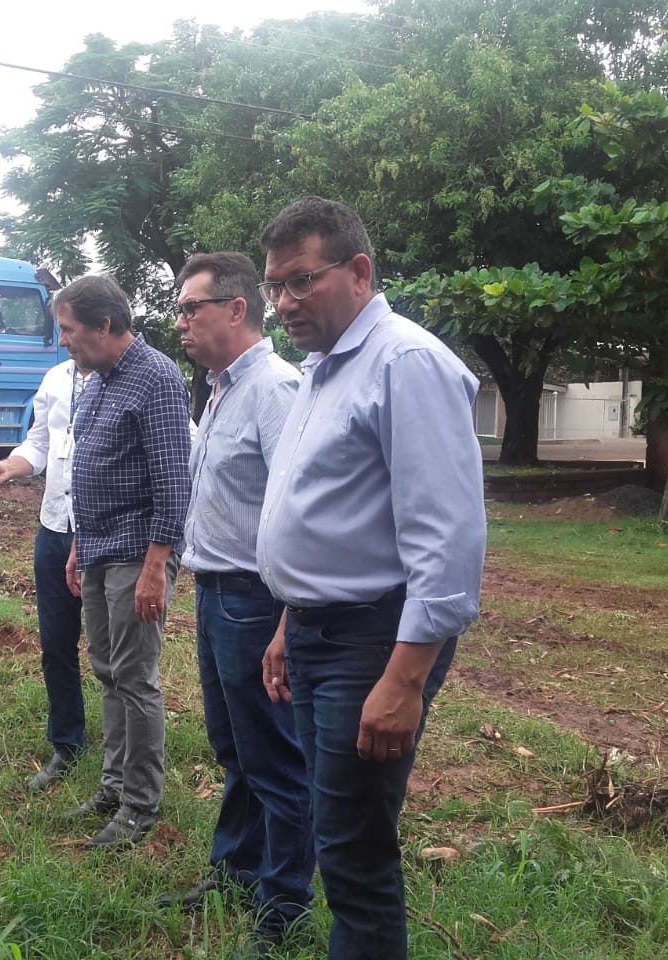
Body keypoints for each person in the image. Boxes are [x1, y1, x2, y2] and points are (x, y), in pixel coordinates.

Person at [255, 197, 486, 960]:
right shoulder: (325, 368)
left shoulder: (405, 362)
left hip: (373, 640)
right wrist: (291, 621)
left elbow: (446, 538)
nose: (283, 303)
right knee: (334, 828)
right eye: (274, 288)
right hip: (320, 632)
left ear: (358, 272)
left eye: (300, 281)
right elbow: (330, 517)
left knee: (353, 851)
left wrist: (405, 680)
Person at [157, 252, 312, 952]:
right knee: (234, 749)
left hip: (256, 598)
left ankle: (283, 907)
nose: (181, 322)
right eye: (181, 310)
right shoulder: (221, 389)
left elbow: (301, 513)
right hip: (215, 593)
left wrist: (288, 619)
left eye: (192, 308)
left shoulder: (276, 390)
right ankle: (235, 869)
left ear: (237, 310)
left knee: (275, 760)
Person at [57, 274, 192, 849]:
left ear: (104, 326)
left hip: (139, 554)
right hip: (97, 549)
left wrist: (156, 565)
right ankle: (114, 783)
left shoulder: (157, 379)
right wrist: (77, 546)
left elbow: (172, 481)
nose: (63, 341)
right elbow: (86, 467)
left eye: (68, 330)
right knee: (108, 671)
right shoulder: (96, 381)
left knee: (136, 680)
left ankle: (141, 803)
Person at [0, 356, 94, 790]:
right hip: (54, 526)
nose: (62, 339)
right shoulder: (55, 377)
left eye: (68, 328)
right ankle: (68, 742)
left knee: (112, 653)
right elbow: (40, 443)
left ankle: (126, 759)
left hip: (103, 533)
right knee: (55, 642)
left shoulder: (131, 375)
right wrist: (10, 466)